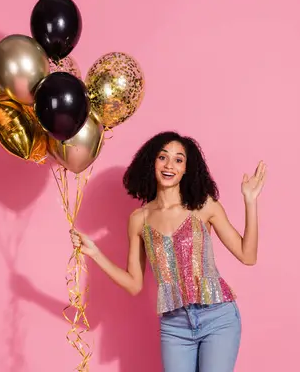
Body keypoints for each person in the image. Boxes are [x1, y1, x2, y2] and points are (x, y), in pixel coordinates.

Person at [70, 131, 267, 372]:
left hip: (218, 317)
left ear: (186, 169)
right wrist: (95, 253)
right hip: (175, 325)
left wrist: (250, 201)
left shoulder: (204, 206)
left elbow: (248, 256)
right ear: (152, 162)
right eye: (163, 157)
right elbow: (134, 284)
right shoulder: (139, 220)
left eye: (178, 160)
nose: (169, 165)